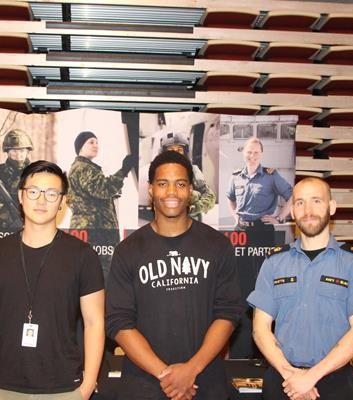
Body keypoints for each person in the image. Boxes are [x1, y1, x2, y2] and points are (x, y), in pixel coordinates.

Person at [105, 151, 243, 400]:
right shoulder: (128, 250)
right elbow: (119, 322)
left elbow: (228, 313)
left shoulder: (216, 245)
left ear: (190, 190)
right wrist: (167, 375)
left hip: (205, 384)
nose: (171, 192)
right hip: (143, 387)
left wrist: (191, 370)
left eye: (180, 184)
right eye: (162, 184)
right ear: (151, 190)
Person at [0, 160, 105, 400]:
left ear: (63, 201)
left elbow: (94, 322)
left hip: (64, 388)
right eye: (33, 192)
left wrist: (86, 388)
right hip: (2, 387)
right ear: (21, 196)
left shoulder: (83, 256)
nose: (42, 200)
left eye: (51, 193)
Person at [247, 177, 353, 400]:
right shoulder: (274, 262)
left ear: (332, 207)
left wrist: (310, 378)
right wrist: (292, 377)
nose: (307, 210)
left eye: (316, 201)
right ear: (292, 210)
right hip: (282, 380)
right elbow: (260, 329)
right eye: (299, 202)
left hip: (335, 383)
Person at [67, 131, 136, 243]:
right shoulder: (84, 168)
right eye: (91, 142)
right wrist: (123, 171)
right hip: (94, 230)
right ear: (80, 147)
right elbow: (103, 189)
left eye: (97, 142)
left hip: (87, 228)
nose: (96, 145)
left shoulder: (79, 168)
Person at [226, 137, 293, 232]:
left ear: (261, 154)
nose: (252, 155)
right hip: (240, 229)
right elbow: (230, 199)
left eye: (256, 152)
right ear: (243, 153)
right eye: (249, 152)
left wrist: (279, 218)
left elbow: (292, 196)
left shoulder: (271, 176)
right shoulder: (236, 176)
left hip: (263, 229)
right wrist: (235, 217)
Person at [159, 132, 216, 220]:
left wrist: (196, 207)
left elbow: (209, 195)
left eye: (179, 150)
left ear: (184, 152)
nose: (175, 153)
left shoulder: (193, 170)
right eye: (171, 150)